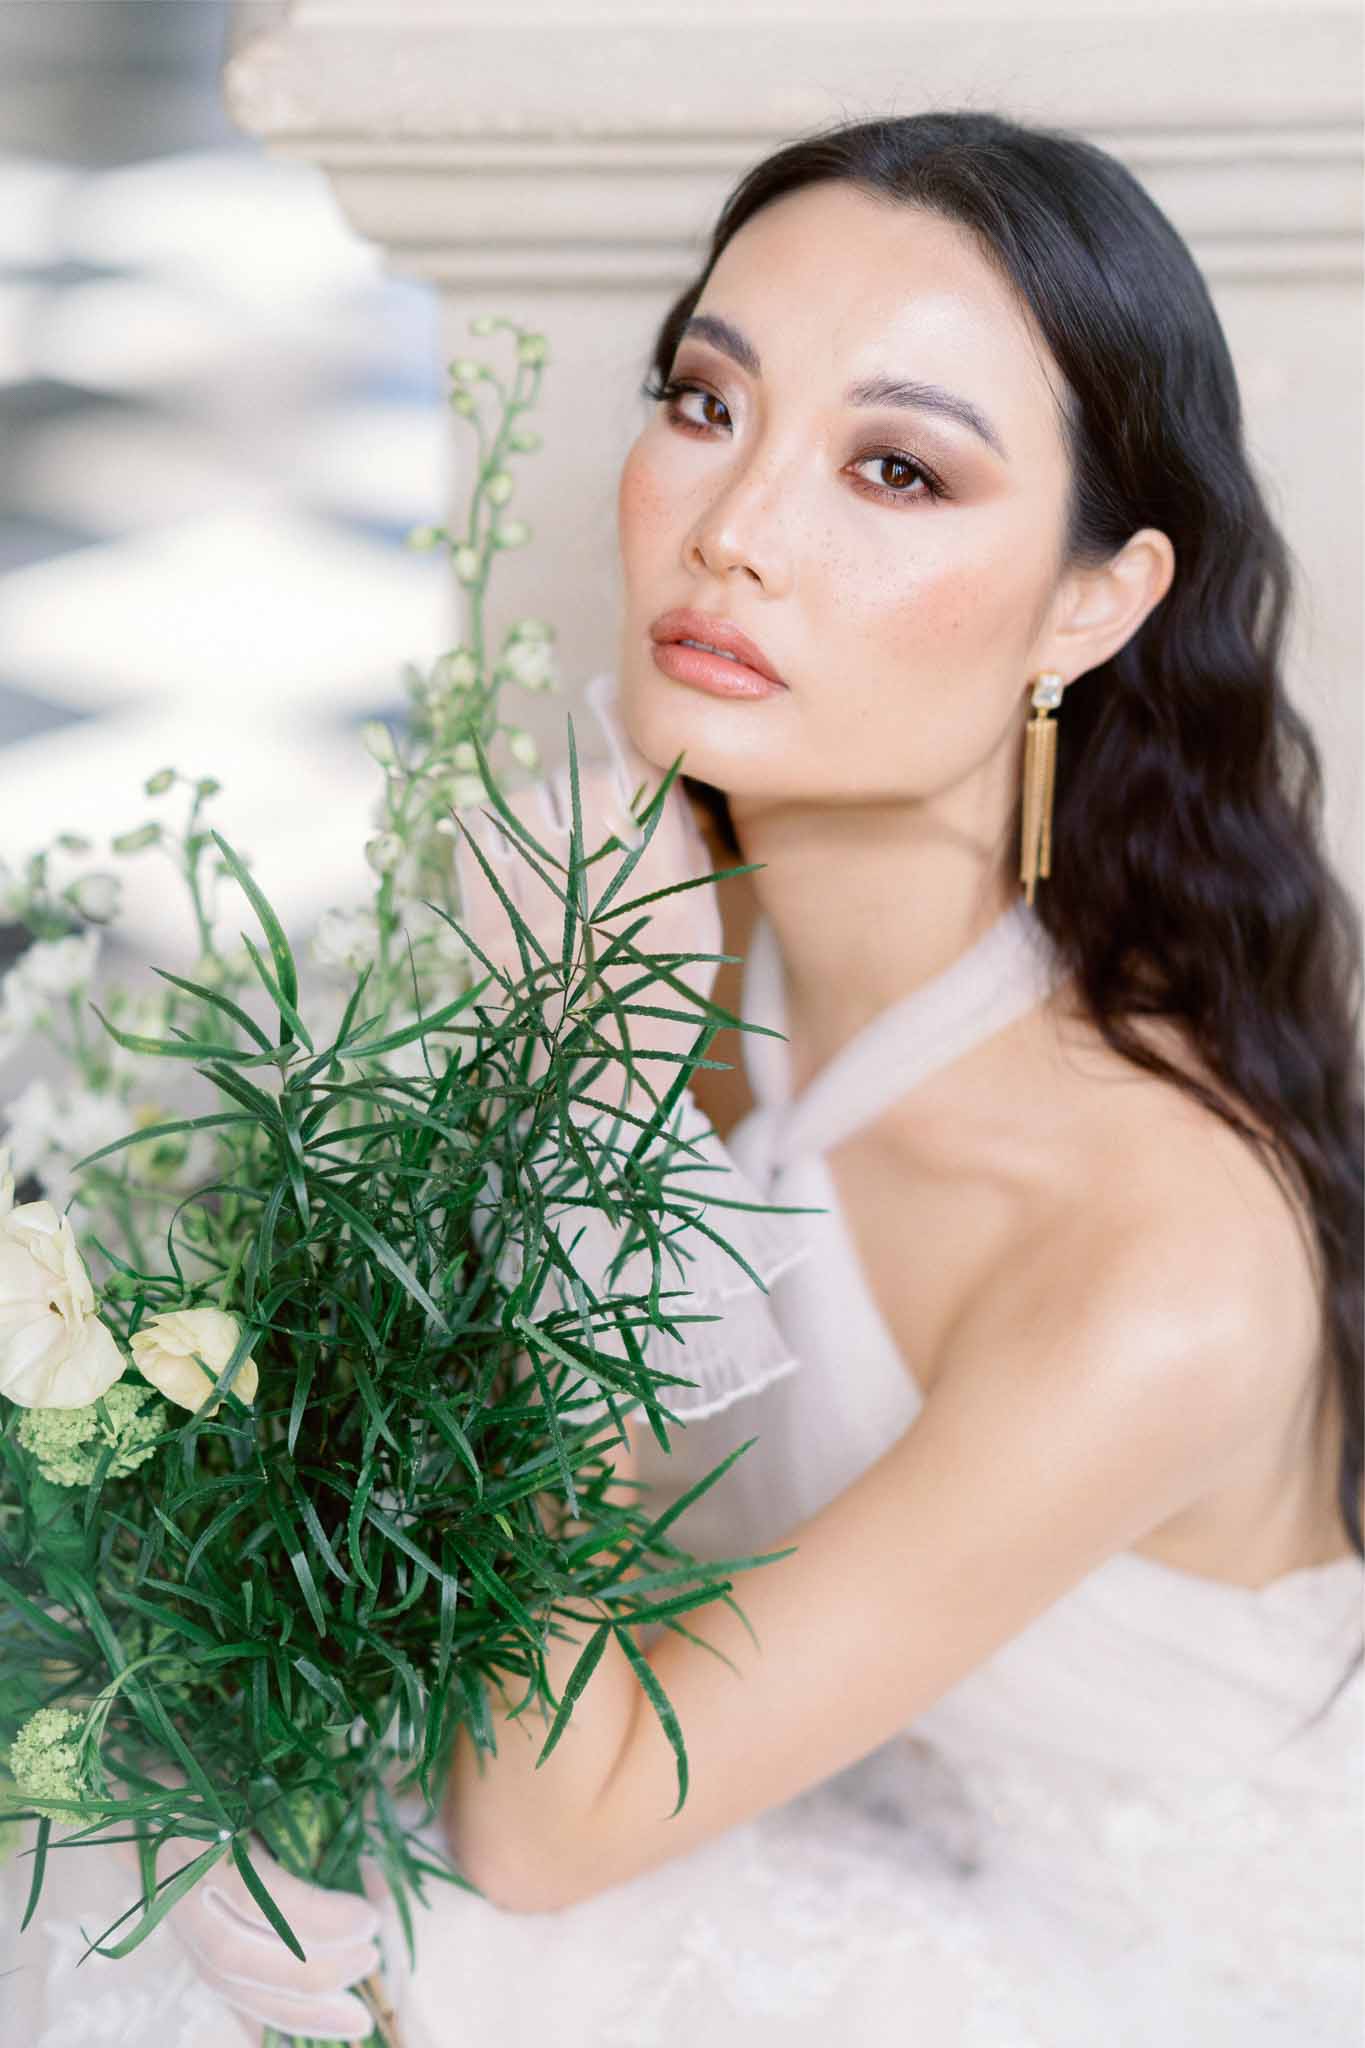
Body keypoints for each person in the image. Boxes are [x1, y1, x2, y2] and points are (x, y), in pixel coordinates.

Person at [3, 108, 1361, 2046]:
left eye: (894, 467)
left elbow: (544, 1813)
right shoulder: (665, 923)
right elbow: (352, 1489)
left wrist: (593, 1107)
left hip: (1191, 1973)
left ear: (1093, 601)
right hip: (827, 1800)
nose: (731, 528)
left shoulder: (1151, 1252)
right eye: (704, 402)